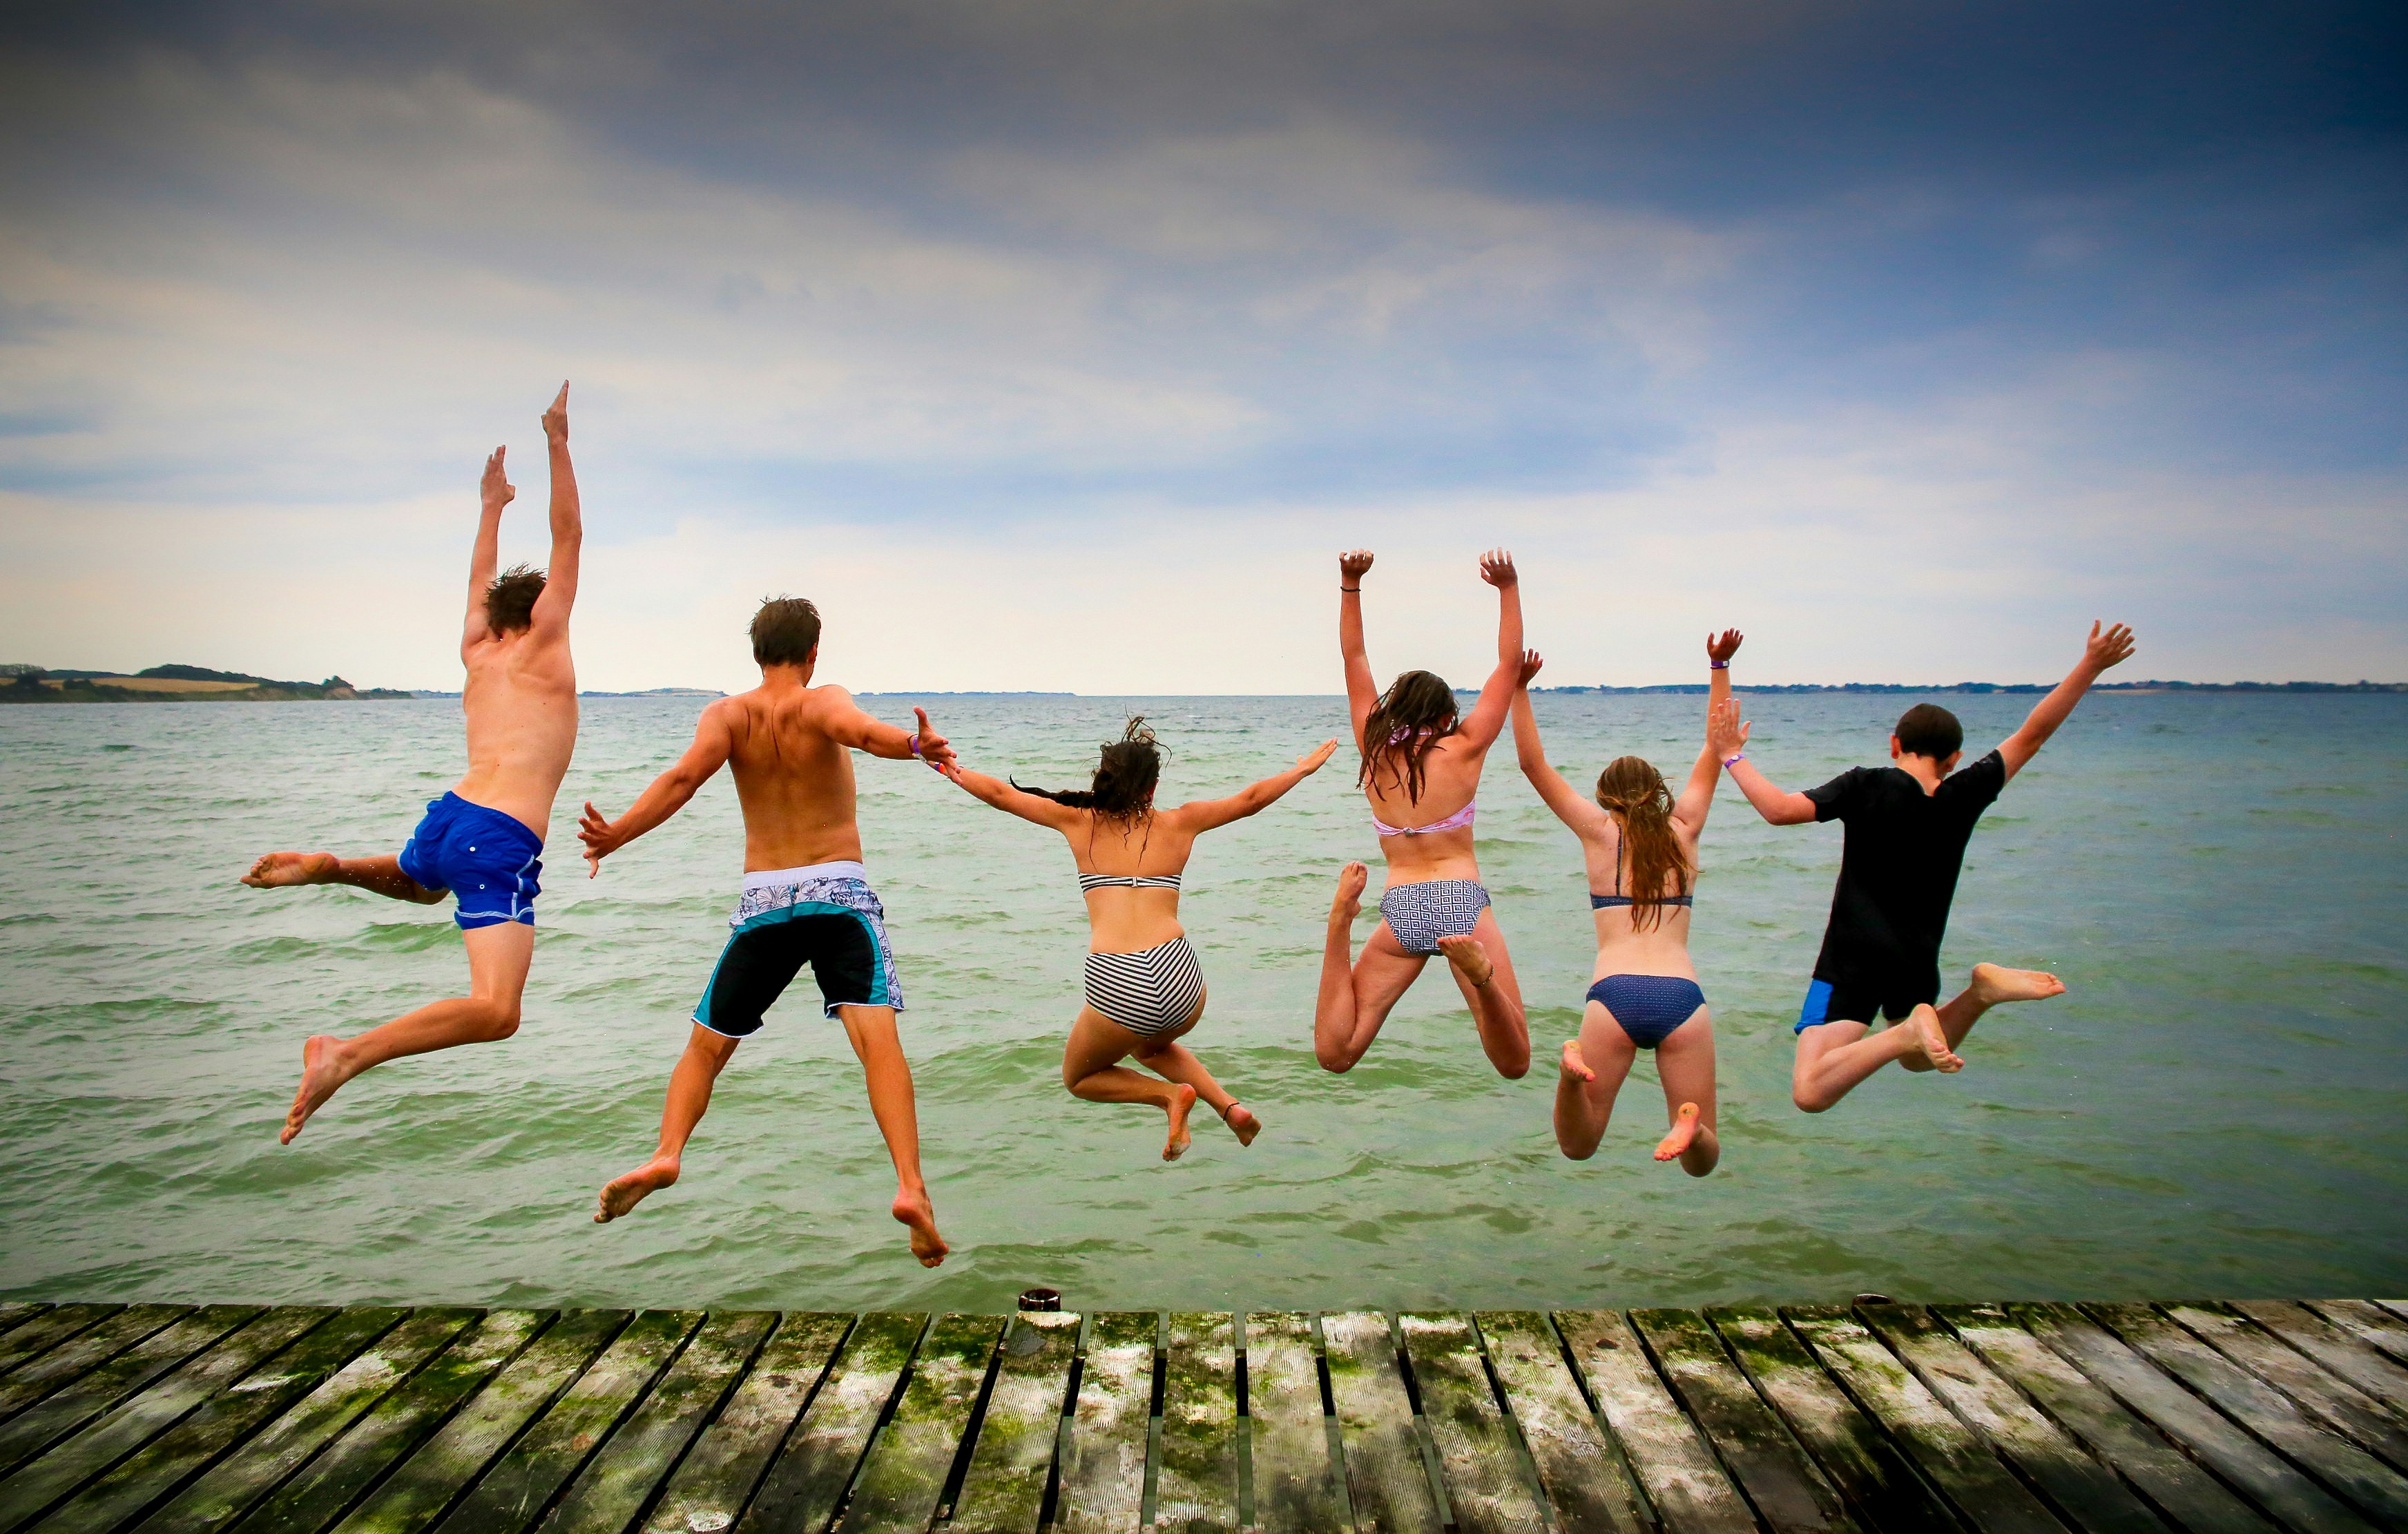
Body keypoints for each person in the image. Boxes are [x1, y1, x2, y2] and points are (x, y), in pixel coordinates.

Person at [242, 383, 582, 1144]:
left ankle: (333, 867)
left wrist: (490, 506)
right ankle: (345, 1054)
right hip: (497, 834)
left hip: (448, 819)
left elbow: (478, 580)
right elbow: (569, 538)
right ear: (540, 614)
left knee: (428, 886)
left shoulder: (475, 647)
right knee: (497, 1011)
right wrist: (558, 440)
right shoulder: (544, 641)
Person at [575, 597, 956, 1267]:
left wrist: (616, 834)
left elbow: (682, 779)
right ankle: (910, 1188)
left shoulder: (727, 716)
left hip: (763, 901)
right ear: (814, 653)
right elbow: (866, 732)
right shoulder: (820, 701)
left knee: (704, 1048)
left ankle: (666, 1154)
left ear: (755, 653)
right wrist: (916, 745)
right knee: (878, 1045)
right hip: (837, 895)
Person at [1715, 621, 2139, 1112]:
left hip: (1852, 959)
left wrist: (1732, 755)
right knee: (1920, 1057)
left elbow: (1778, 809)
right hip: (1916, 959)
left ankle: (1908, 1032)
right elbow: (2033, 733)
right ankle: (1976, 995)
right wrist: (2090, 664)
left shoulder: (1866, 784)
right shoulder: (1966, 793)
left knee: (1811, 1090)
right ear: (1954, 758)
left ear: (1895, 744)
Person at [940, 720, 1338, 1159]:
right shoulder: (1182, 822)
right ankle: (1230, 1109)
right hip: (1180, 976)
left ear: (1103, 778)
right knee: (1152, 1045)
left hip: (1118, 980)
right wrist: (1300, 771)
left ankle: (1169, 1097)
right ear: (1152, 788)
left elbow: (1000, 796)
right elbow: (1249, 801)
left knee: (1080, 1078)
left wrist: (948, 766)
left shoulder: (1077, 821)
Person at [1512, 632, 1744, 1175]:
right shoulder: (1684, 827)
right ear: (1658, 792)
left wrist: (1521, 688)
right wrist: (1718, 665)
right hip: (1682, 997)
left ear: (1603, 798)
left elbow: (1531, 763)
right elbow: (1715, 747)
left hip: (1612, 995)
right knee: (1701, 1161)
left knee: (1579, 1144)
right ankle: (1691, 1123)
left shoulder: (1596, 833)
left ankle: (1572, 1079)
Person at [1315, 549, 1530, 1078]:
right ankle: (1479, 978)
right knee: (1514, 1062)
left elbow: (1354, 659)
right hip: (1461, 904)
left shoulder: (1372, 747)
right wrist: (1507, 588)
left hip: (1402, 904)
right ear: (1443, 715)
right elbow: (1508, 665)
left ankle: (1338, 925)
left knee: (1337, 1054)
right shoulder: (1464, 748)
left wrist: (1350, 583)